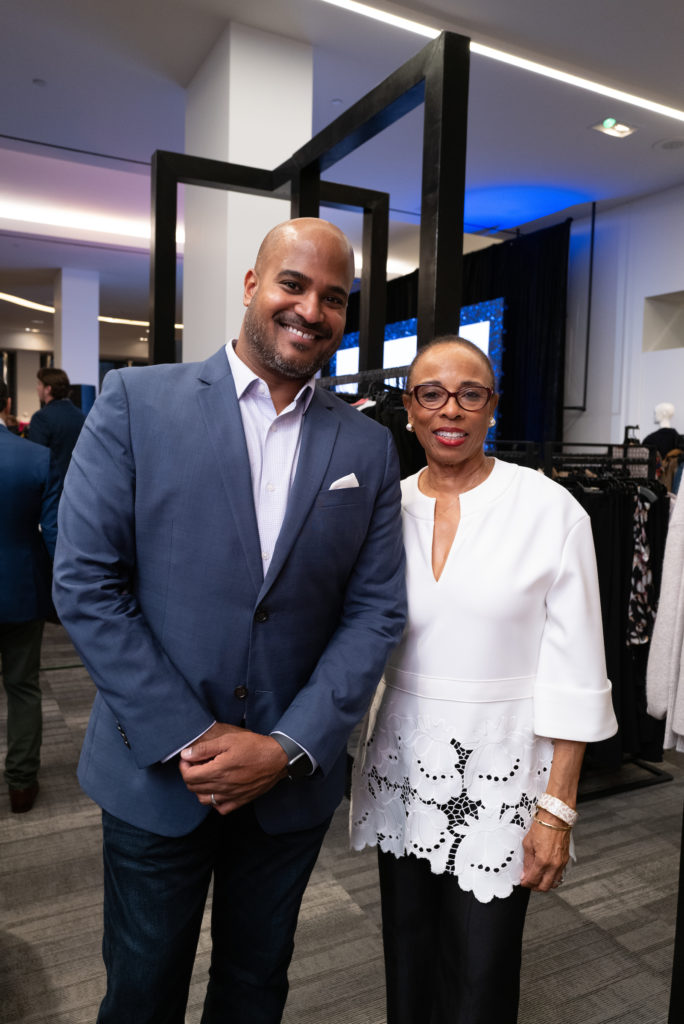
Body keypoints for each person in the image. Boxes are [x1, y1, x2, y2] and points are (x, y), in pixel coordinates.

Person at [53, 217, 406, 1024]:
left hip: (287, 787)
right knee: (142, 990)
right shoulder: (137, 402)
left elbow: (375, 610)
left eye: (334, 298)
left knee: (255, 985)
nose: (311, 310)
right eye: (293, 285)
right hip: (156, 772)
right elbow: (86, 582)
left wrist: (283, 749)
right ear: (252, 285)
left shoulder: (368, 447)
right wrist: (194, 738)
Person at [350, 336, 618, 1024]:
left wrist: (556, 810)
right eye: (431, 393)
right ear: (409, 409)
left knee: (480, 977)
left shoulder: (550, 509)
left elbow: (579, 668)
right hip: (403, 766)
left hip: (502, 777)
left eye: (470, 393)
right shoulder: (386, 507)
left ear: (491, 408)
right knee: (407, 965)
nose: (451, 409)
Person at [0, 380, 59, 812]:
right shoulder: (36, 457)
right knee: (23, 687)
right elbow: (55, 532)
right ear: (5, 404)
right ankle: (21, 784)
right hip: (21, 589)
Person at [28, 367, 86, 490]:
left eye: (39, 384)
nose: (37, 388)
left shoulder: (41, 418)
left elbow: (35, 459)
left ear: (48, 389)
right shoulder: (81, 416)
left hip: (53, 489)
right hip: (78, 487)